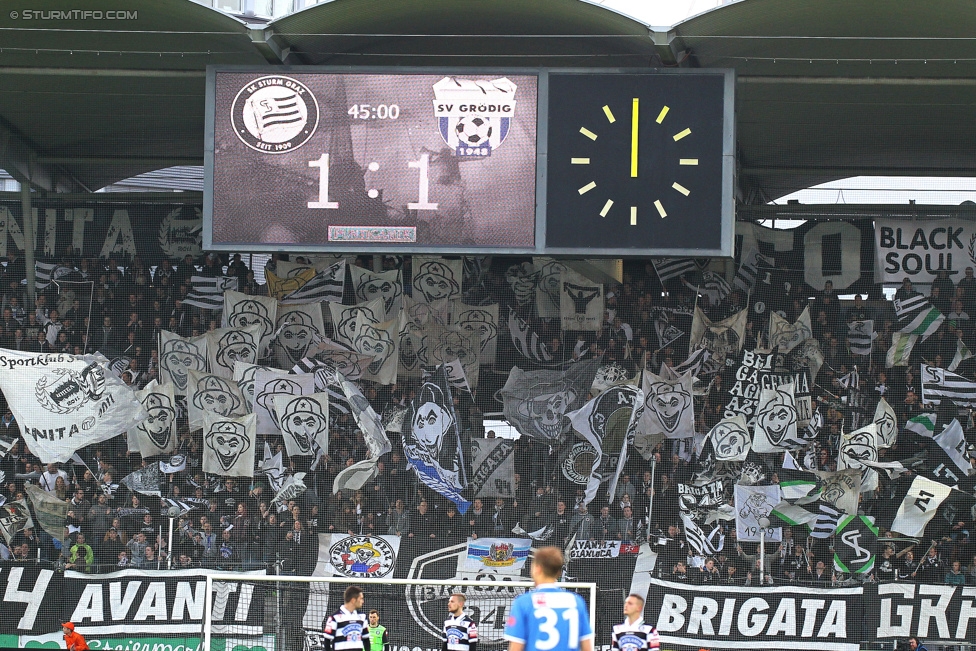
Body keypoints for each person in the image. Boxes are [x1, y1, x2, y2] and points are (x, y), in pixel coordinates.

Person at [505, 546, 593, 651]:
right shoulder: (576, 601)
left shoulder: (524, 603)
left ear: (537, 569)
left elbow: (516, 647)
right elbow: (587, 647)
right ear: (559, 571)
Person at [323, 585, 370, 651]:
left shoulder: (362, 617)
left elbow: (366, 640)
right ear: (353, 600)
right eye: (361, 599)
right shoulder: (335, 617)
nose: (363, 601)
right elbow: (327, 641)